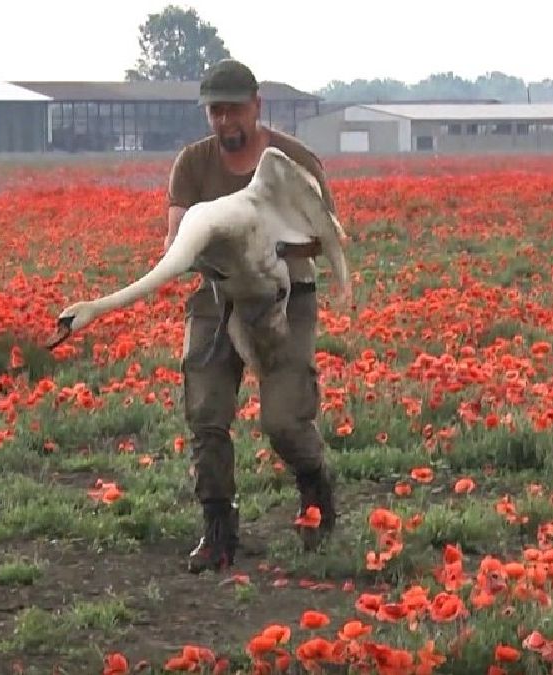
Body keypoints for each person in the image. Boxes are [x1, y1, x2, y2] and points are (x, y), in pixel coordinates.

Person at [165, 58, 347, 574]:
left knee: (284, 420)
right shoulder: (193, 165)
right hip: (217, 296)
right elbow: (177, 238)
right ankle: (219, 530)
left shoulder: (294, 160)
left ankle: (316, 497)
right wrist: (220, 253)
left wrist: (266, 245)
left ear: (256, 106)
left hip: (285, 298)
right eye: (215, 112)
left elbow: (326, 234)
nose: (224, 122)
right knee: (206, 413)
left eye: (233, 111)